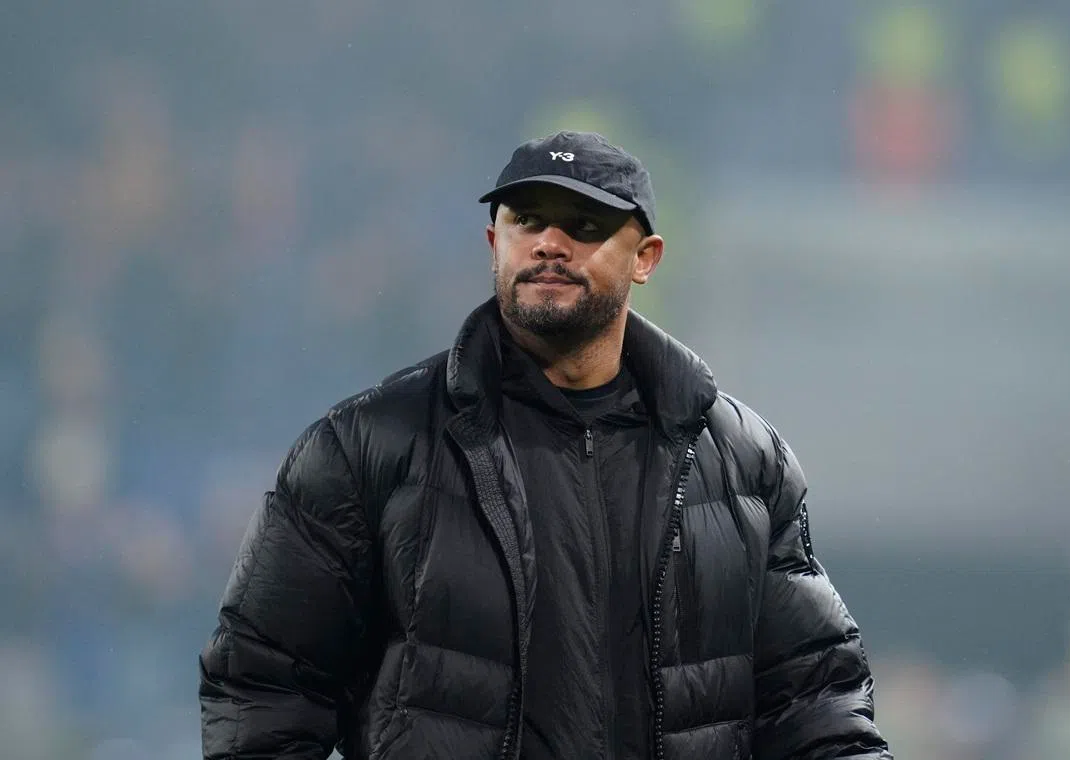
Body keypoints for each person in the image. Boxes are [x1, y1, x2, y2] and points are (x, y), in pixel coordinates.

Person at [198, 130, 892, 760]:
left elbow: (815, 704)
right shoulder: (365, 448)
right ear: (493, 243)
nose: (548, 243)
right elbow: (262, 688)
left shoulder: (743, 462)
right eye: (526, 220)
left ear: (646, 258)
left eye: (584, 225)